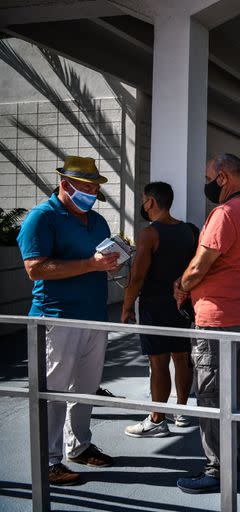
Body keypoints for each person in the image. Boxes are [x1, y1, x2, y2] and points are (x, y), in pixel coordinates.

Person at [16, 155, 120, 486]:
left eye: (94, 188)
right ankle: (47, 461)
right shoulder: (41, 218)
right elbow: (35, 268)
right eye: (87, 188)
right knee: (53, 392)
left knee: (86, 389)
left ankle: (78, 446)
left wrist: (112, 262)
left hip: (93, 317)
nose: (91, 194)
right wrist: (91, 264)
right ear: (65, 185)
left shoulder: (97, 221)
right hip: (55, 318)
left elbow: (99, 260)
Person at [173, 153, 240, 494]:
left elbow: (199, 267)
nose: (207, 183)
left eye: (208, 176)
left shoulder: (224, 213)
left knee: (211, 394)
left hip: (215, 319)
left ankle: (217, 469)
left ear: (224, 177)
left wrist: (181, 286)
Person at [121, 182, 198, 437]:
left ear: (151, 202)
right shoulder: (189, 230)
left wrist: (127, 307)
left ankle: (157, 420)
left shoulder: (149, 233)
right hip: (183, 303)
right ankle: (182, 412)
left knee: (159, 362)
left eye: (144, 199)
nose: (143, 204)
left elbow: (138, 276)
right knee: (182, 357)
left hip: (155, 305)